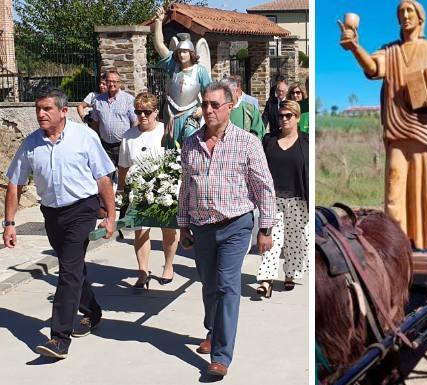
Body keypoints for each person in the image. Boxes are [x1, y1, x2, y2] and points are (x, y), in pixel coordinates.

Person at [3, 89, 116, 358]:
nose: (41, 114)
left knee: (67, 271)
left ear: (63, 111)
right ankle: (92, 311)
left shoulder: (84, 136)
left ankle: (59, 338)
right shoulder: (31, 143)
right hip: (52, 214)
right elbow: (15, 183)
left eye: (46, 109)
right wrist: (9, 223)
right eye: (38, 109)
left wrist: (111, 215)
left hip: (83, 209)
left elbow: (103, 178)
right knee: (72, 267)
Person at [177, 81, 277, 376]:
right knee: (209, 286)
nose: (208, 110)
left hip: (236, 225)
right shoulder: (191, 143)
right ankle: (212, 330)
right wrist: (183, 226)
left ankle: (221, 355)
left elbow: (264, 188)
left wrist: (266, 229)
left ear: (230, 107)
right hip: (202, 226)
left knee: (227, 286)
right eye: (205, 104)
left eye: (214, 105)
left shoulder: (247, 143)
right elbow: (186, 188)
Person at [339, 0, 427, 249]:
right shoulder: (389, 51)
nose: (405, 15)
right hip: (397, 127)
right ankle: (395, 245)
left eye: (409, 11)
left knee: (425, 189)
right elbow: (372, 68)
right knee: (394, 189)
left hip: (425, 128)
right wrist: (355, 47)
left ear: (420, 17)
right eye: (401, 12)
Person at [117, 92, 178, 289]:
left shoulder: (165, 131)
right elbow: (124, 166)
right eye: (138, 112)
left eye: (147, 112)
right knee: (140, 231)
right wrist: (122, 190)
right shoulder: (129, 136)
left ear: (156, 113)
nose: (142, 116)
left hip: (164, 188)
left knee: (168, 230)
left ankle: (168, 266)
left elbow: (175, 160)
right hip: (138, 190)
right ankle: (143, 272)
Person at [256, 100, 309, 297]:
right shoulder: (269, 140)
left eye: (289, 115)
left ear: (297, 117)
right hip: (273, 200)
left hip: (298, 199)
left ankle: (291, 273)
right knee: (271, 240)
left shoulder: (306, 142)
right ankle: (266, 279)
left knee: (295, 240)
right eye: (281, 116)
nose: (284, 119)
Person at [152, 7, 211, 148]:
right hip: (171, 114)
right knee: (171, 149)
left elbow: (210, 93)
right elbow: (160, 46)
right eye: (179, 52)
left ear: (191, 53)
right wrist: (159, 22)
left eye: (185, 51)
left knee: (190, 147)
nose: (182, 55)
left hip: (190, 115)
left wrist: (203, 109)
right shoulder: (173, 67)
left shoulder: (200, 71)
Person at [91, 69, 138, 168]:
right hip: (105, 146)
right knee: (107, 175)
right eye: (109, 81)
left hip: (123, 145)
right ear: (106, 82)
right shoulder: (98, 101)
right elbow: (95, 123)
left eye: (114, 81)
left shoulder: (128, 99)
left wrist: (132, 141)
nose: (111, 84)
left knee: (125, 176)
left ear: (119, 83)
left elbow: (135, 122)